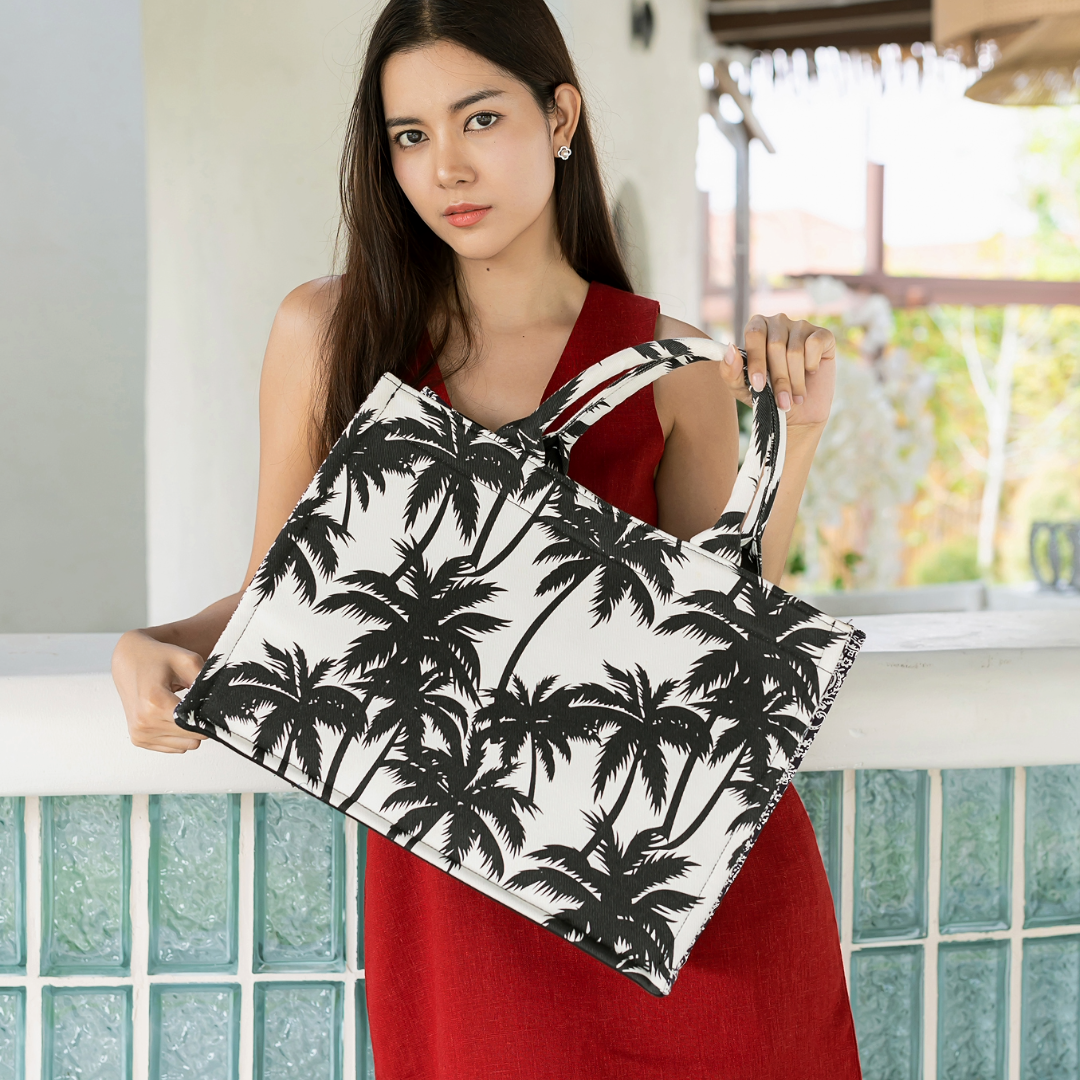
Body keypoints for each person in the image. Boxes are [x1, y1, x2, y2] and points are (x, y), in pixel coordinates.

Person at [113, 0, 860, 1075]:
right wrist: (156, 639)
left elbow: (727, 630)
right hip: (462, 896)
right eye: (411, 136)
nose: (446, 169)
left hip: (691, 910)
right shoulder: (330, 334)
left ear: (561, 118)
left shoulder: (675, 361)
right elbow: (281, 594)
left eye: (480, 120)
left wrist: (799, 436)